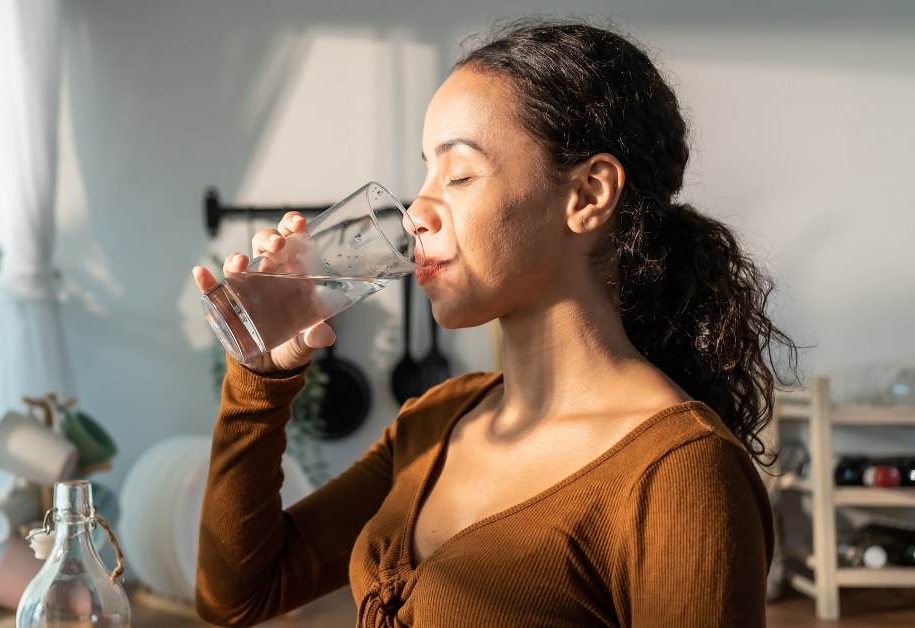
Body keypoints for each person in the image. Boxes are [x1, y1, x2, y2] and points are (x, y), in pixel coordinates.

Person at [190, 19, 797, 628]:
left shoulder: (679, 475)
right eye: (425, 171)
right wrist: (258, 381)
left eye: (457, 175)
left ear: (587, 195)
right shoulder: (435, 420)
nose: (415, 214)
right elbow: (236, 595)